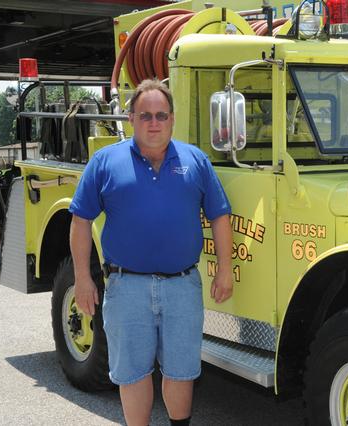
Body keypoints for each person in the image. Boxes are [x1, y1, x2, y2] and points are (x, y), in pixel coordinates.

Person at [69, 79, 233, 426]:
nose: (154, 122)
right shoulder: (104, 162)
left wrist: (224, 269)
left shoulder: (196, 161)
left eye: (161, 115)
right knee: (132, 373)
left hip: (182, 286)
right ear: (131, 119)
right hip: (126, 287)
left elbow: (219, 215)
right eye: (145, 115)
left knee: (181, 371)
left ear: (172, 119)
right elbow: (81, 220)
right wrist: (83, 278)